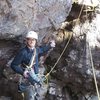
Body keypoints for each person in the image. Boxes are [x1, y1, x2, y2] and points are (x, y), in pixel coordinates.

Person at [11, 31, 55, 99]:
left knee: (38, 92)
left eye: (33, 39)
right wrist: (23, 72)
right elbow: (13, 65)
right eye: (29, 39)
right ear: (27, 40)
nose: (31, 41)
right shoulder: (23, 52)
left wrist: (50, 45)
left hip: (35, 75)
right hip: (27, 78)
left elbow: (42, 49)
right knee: (30, 96)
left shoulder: (36, 50)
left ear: (36, 41)